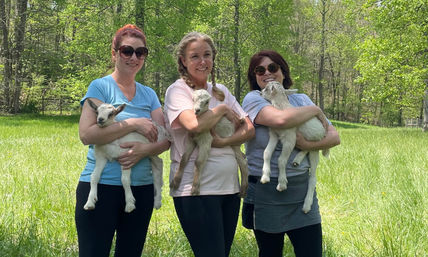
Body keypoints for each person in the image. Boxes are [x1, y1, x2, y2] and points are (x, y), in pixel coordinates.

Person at [75, 24, 170, 257]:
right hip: (102, 188)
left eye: (141, 52)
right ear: (114, 53)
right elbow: (87, 134)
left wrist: (145, 150)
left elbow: (167, 138)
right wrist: (134, 123)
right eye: (127, 51)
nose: (134, 57)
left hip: (141, 189)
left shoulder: (149, 94)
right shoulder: (100, 86)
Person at [163, 31, 255, 257]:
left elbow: (249, 128)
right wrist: (223, 109)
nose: (202, 61)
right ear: (183, 61)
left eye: (207, 55)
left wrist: (223, 141)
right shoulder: (178, 91)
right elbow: (194, 125)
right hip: (196, 190)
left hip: (230, 187)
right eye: (194, 56)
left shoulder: (221, 91)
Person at [241, 50, 341, 257]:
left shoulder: (302, 99)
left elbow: (334, 137)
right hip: (267, 192)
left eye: (273, 68)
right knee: (270, 253)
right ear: (254, 76)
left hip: (302, 191)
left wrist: (305, 143)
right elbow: (280, 120)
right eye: (259, 70)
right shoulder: (254, 98)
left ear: (283, 72)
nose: (267, 73)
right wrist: (315, 110)